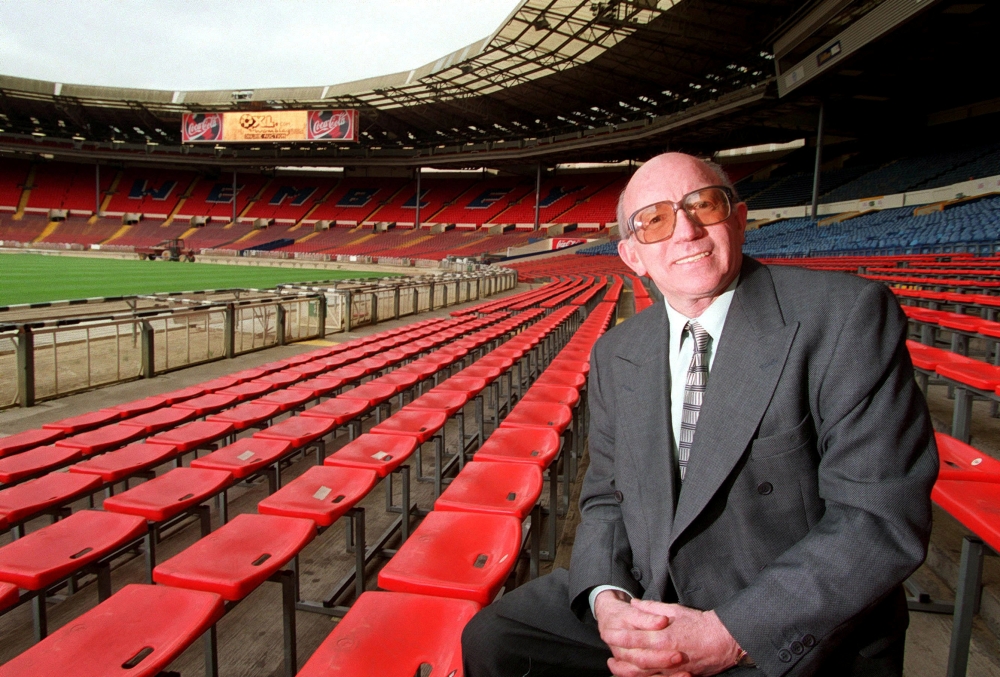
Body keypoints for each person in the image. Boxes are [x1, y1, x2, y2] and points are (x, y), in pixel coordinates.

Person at [461, 152, 937, 677]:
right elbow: (604, 497)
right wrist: (607, 598)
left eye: (703, 205)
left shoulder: (846, 316)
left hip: (778, 614)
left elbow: (879, 518)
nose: (685, 231)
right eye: (655, 220)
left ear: (738, 218)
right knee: (497, 638)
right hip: (651, 589)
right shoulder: (617, 350)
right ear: (632, 255)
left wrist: (729, 634)